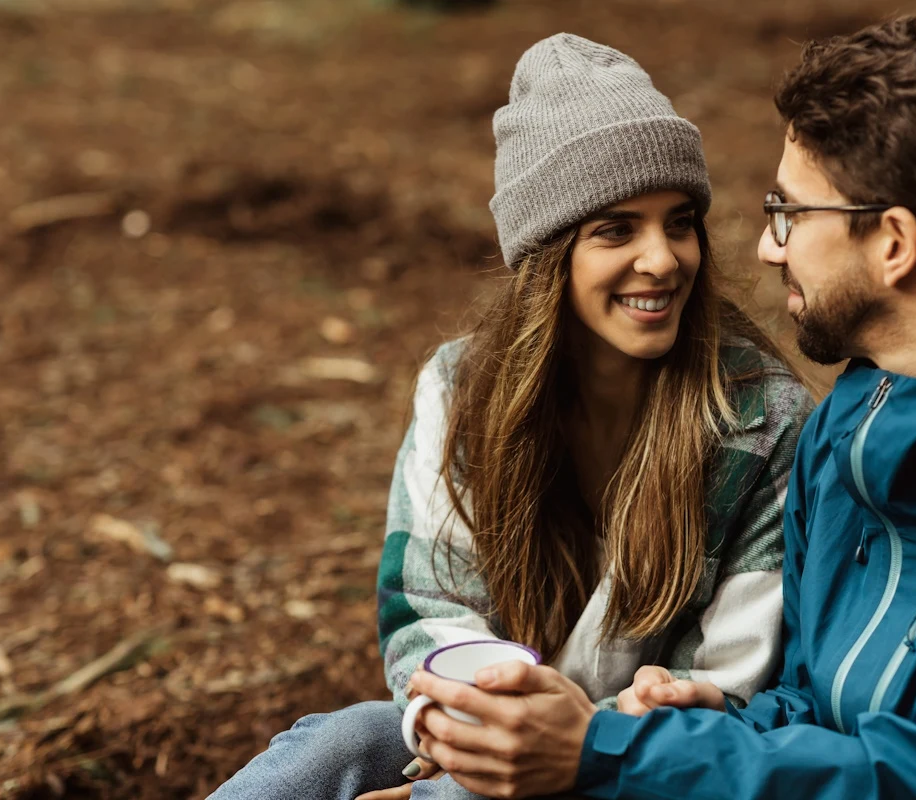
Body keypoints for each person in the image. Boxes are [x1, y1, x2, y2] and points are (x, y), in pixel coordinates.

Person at [404, 16, 916, 799]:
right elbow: (812, 706)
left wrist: (611, 755)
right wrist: (710, 714)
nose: (770, 248)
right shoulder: (856, 421)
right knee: (343, 744)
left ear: (895, 244)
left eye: (791, 213)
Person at [207, 33, 813, 800]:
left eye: (679, 221)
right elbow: (428, 609)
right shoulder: (463, 387)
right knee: (338, 743)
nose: (662, 258)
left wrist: (540, 752)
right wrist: (470, 729)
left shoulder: (760, 416)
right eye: (616, 229)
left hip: (646, 760)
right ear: (548, 254)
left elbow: (729, 676)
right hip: (489, 720)